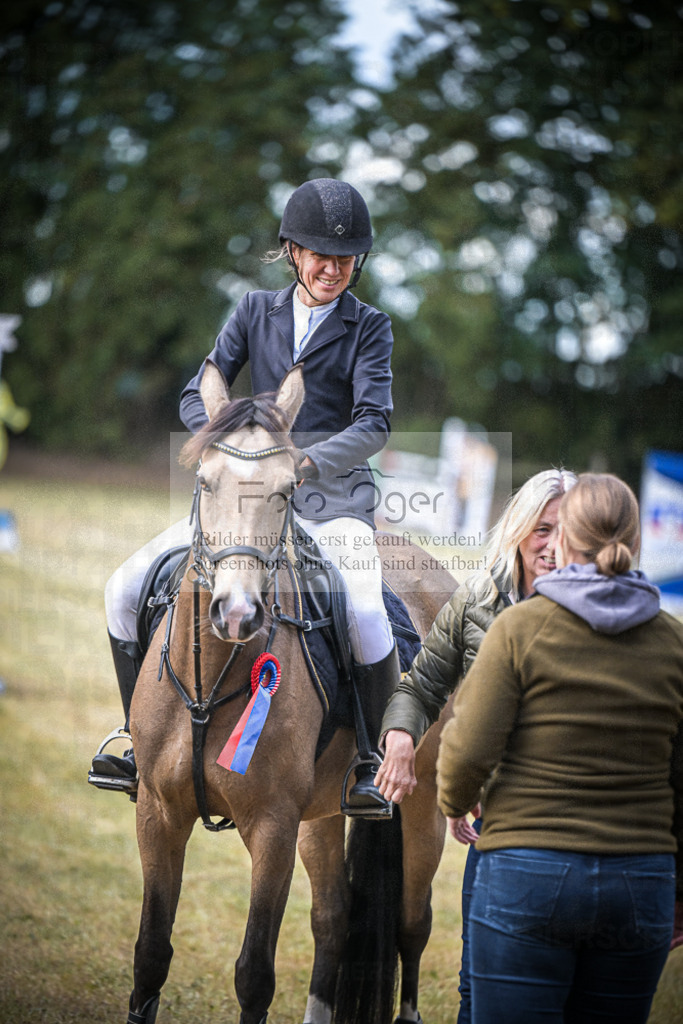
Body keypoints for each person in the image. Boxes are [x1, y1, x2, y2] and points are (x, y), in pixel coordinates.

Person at [89, 178, 400, 816]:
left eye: (345, 259)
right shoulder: (255, 310)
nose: (333, 269)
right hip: (240, 501)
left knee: (367, 610)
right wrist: (227, 445)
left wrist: (307, 461)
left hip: (332, 503)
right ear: (293, 251)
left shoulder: (370, 327)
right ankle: (135, 739)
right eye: (321, 256)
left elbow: (374, 422)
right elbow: (198, 390)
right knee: (122, 588)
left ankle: (368, 760)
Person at [435, 472, 683, 1024]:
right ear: (636, 542)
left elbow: (468, 748)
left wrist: (455, 802)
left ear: (565, 538)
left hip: (527, 872)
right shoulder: (674, 642)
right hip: (640, 881)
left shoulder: (519, 628)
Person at [375, 466, 577, 1024]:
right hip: (500, 832)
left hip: (584, 832)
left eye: (568, 531)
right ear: (517, 529)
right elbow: (422, 684)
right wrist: (400, 735)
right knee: (479, 989)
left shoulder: (611, 614)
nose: (553, 546)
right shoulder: (477, 603)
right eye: (542, 529)